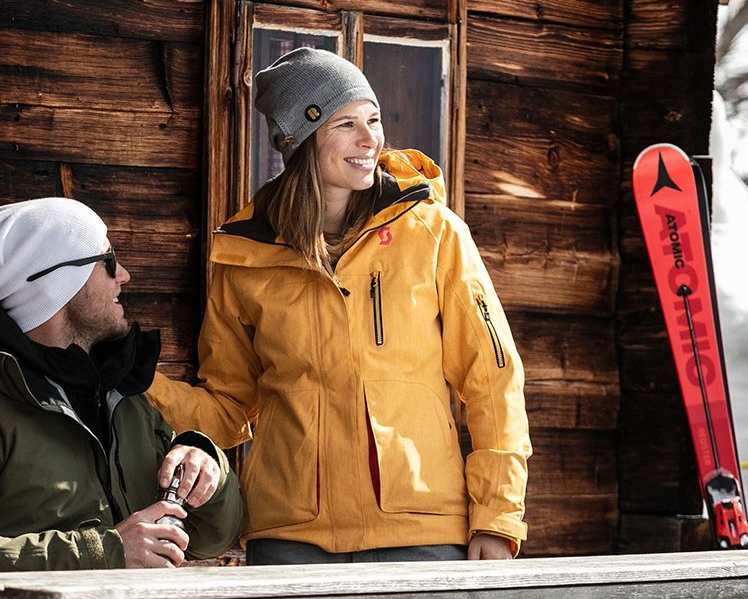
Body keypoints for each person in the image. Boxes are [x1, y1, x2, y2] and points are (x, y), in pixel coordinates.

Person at [147, 48, 531, 564]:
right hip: (290, 537)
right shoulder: (245, 258)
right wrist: (141, 384)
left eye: (373, 120)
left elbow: (493, 378)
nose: (370, 139)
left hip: (418, 533)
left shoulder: (435, 235)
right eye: (345, 124)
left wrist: (497, 515)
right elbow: (229, 408)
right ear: (300, 141)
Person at [0, 198, 243, 597]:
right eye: (108, 260)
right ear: (58, 282)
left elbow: (211, 537)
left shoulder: (121, 396)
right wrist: (107, 552)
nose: (124, 275)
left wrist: (207, 467)